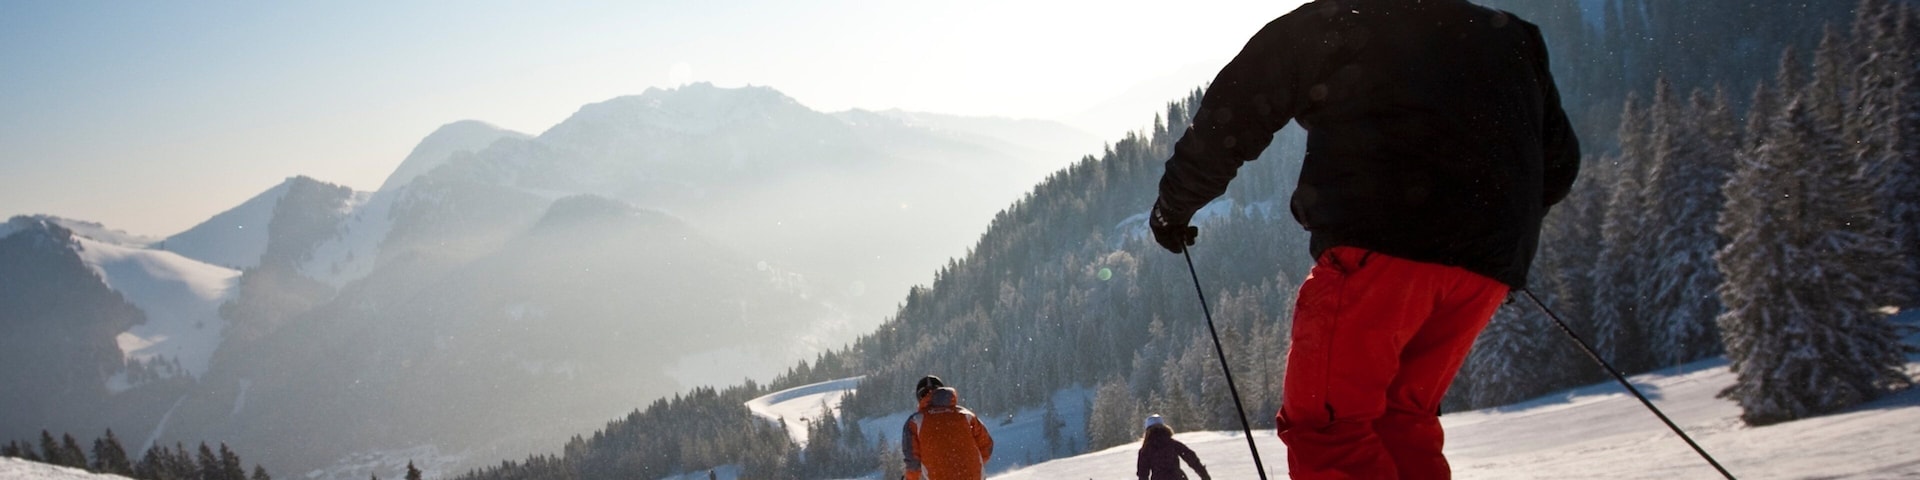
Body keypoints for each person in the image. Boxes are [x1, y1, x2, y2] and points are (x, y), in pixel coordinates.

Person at [1147, 0, 1580, 478]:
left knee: (1328, 428)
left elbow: (1238, 107)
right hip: (1486, 272)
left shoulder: (1340, 19)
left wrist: (1176, 204)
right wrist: (1488, 229)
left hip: (1379, 247)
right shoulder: (1512, 36)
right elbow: (1559, 165)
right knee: (1402, 421)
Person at [901, 375, 995, 480]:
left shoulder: (915, 421)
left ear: (920, 397)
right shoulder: (966, 415)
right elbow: (987, 447)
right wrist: (967, 464)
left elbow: (913, 462)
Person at [1136, 414, 1212, 480]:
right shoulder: (1173, 444)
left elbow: (1143, 475)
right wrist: (1205, 476)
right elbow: (1192, 459)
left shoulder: (1145, 450)